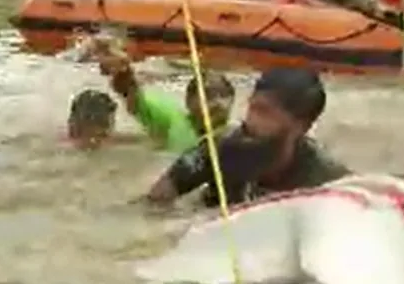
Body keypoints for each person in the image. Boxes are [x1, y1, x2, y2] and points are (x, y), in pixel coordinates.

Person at [143, 67, 349, 207]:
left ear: (301, 126)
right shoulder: (219, 149)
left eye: (265, 113)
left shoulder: (325, 178)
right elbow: (151, 206)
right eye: (252, 108)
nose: (250, 120)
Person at [92, 37, 235, 153]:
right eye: (209, 96)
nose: (218, 103)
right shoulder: (171, 120)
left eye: (223, 95)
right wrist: (123, 71)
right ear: (189, 102)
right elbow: (133, 99)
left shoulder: (238, 136)